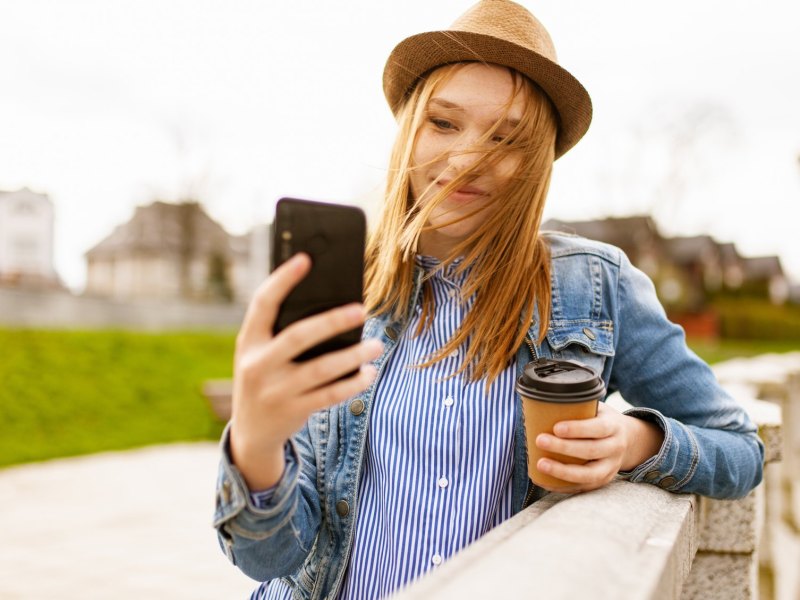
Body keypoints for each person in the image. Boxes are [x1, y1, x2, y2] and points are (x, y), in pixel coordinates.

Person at [213, 1, 765, 598]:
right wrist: (257, 444)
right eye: (444, 124)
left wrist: (637, 442)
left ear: (537, 162)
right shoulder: (340, 290)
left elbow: (741, 451)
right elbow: (269, 559)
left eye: (507, 138)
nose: (466, 160)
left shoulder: (595, 285)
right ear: (409, 128)